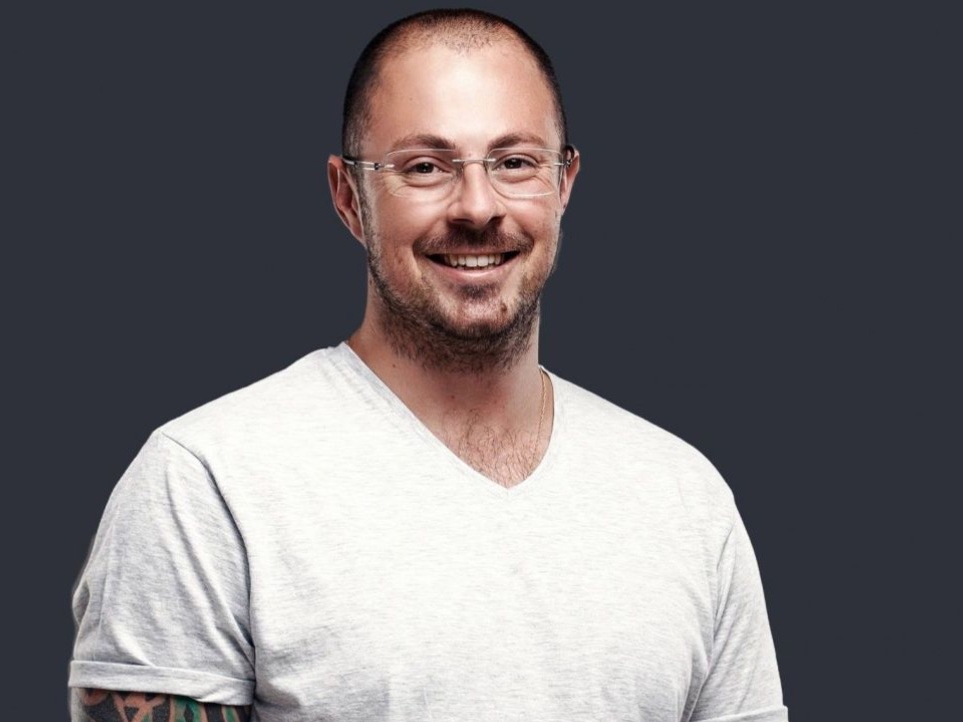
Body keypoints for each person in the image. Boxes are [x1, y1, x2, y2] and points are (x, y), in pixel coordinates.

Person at [70, 9, 787, 722]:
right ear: (349, 198)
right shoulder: (206, 483)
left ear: (564, 182)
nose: (477, 207)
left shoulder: (683, 497)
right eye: (425, 167)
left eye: (515, 162)